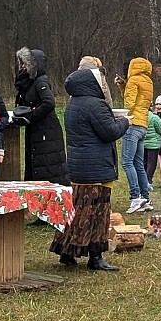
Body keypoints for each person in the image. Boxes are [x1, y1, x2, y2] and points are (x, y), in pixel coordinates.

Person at [50, 64, 130, 271]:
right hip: (95, 167)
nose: (103, 84)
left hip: (79, 166)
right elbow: (110, 132)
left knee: (76, 210)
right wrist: (125, 122)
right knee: (97, 213)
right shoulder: (95, 105)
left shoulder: (73, 103)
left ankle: (66, 250)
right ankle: (96, 256)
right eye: (101, 81)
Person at [13, 48, 68, 184]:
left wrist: (32, 115)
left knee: (47, 166)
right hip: (35, 131)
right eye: (22, 64)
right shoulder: (27, 83)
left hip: (46, 131)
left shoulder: (40, 81)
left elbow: (49, 103)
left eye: (26, 64)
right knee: (35, 164)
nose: (23, 67)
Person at [120, 57, 155, 214]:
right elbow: (141, 102)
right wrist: (123, 86)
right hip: (143, 125)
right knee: (139, 164)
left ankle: (135, 198)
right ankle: (145, 199)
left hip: (132, 124)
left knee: (127, 162)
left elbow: (130, 103)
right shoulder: (148, 81)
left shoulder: (133, 80)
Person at [144, 95, 161, 188]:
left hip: (144, 144)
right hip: (154, 145)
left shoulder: (142, 117)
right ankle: (148, 180)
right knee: (151, 163)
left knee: (143, 162)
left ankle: (143, 179)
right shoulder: (154, 118)